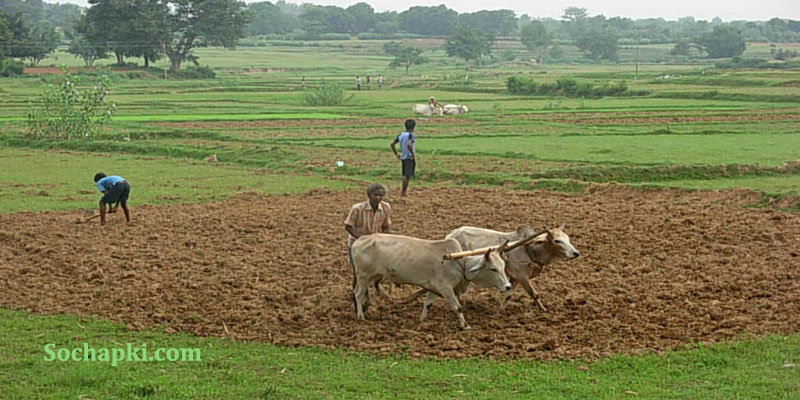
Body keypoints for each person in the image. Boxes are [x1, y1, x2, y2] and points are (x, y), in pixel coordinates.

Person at [344, 183, 392, 287]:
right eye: (375, 195)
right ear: (369, 195)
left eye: (381, 195)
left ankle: (375, 287)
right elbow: (348, 226)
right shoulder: (357, 208)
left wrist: (386, 239)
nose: (378, 198)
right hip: (357, 244)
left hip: (376, 245)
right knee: (359, 273)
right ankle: (356, 294)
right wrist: (362, 239)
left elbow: (386, 226)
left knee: (379, 271)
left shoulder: (385, 207)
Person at [390, 119, 417, 197]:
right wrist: (412, 154)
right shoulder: (411, 135)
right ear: (413, 127)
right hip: (409, 157)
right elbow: (409, 145)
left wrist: (396, 154)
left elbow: (392, 144)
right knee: (407, 176)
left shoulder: (401, 134)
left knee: (405, 174)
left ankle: (403, 191)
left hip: (403, 157)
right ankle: (403, 192)